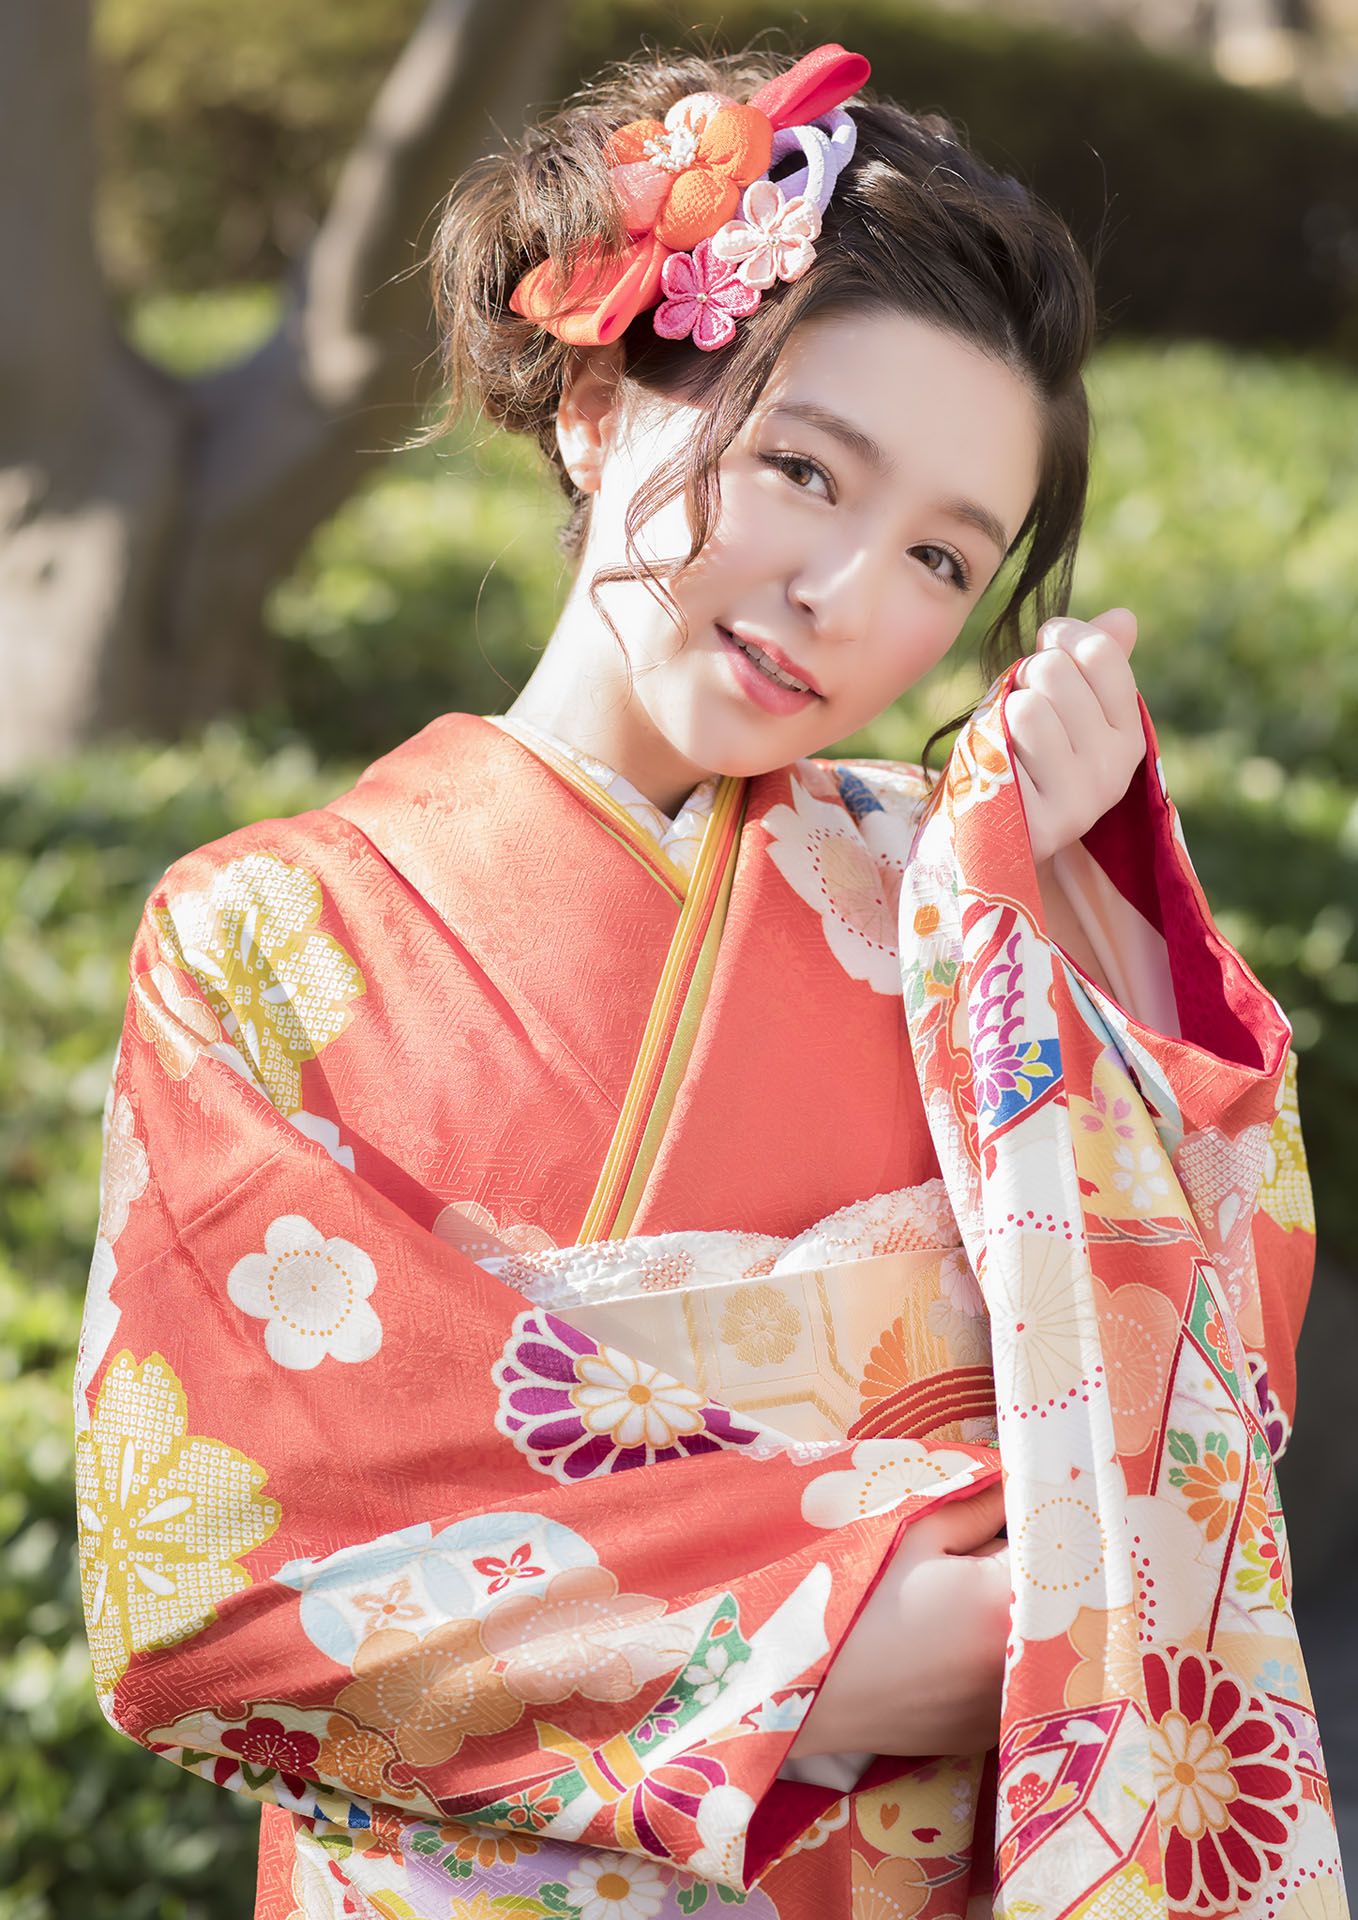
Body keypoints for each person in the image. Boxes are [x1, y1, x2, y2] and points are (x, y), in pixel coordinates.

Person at [74, 38, 1341, 1920]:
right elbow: (206, 1586)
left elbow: (1215, 1379)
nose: (847, 593)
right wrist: (811, 1646)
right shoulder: (259, 933)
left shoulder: (957, 901)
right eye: (802, 468)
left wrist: (1112, 937)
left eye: (940, 557)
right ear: (598, 403)